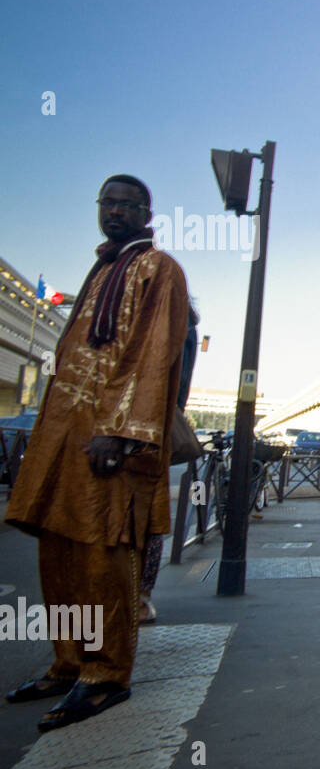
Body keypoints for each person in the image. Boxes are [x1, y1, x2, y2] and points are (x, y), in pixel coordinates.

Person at [4, 175, 189, 731]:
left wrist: (122, 428)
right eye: (107, 202)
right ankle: (68, 662)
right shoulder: (102, 269)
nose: (114, 211)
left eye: (126, 204)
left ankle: (106, 673)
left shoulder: (158, 269)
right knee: (59, 550)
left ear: (145, 211)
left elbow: (152, 352)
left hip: (111, 439)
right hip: (65, 432)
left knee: (103, 553)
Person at [139, 300, 200, 624]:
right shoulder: (185, 326)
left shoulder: (175, 325)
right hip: (152, 429)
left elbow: (173, 383)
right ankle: (140, 595)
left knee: (144, 516)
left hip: (146, 429)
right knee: (148, 516)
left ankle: (137, 596)